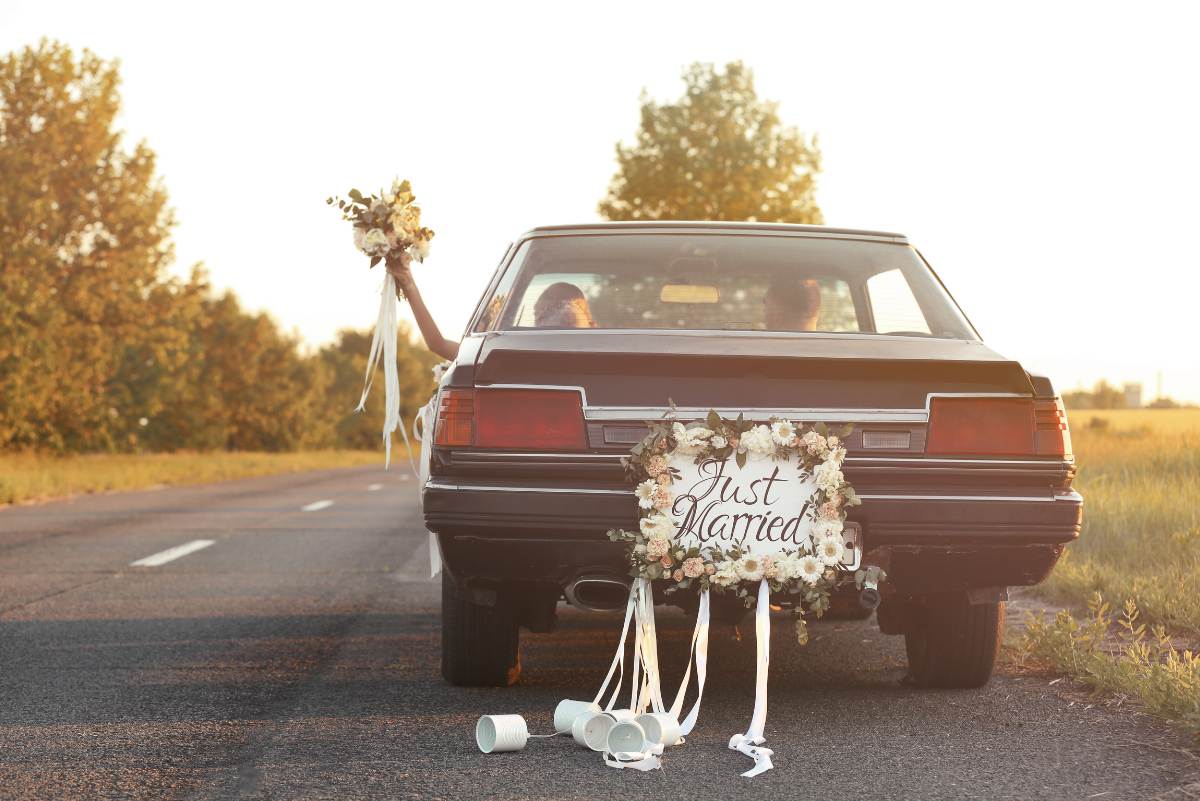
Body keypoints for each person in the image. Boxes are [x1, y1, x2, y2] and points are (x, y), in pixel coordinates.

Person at [385, 255, 596, 361]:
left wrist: (409, 284)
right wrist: (408, 284)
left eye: (543, 314)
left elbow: (438, 344)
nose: (542, 322)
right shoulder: (519, 357)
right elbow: (438, 344)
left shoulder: (519, 358)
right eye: (539, 315)